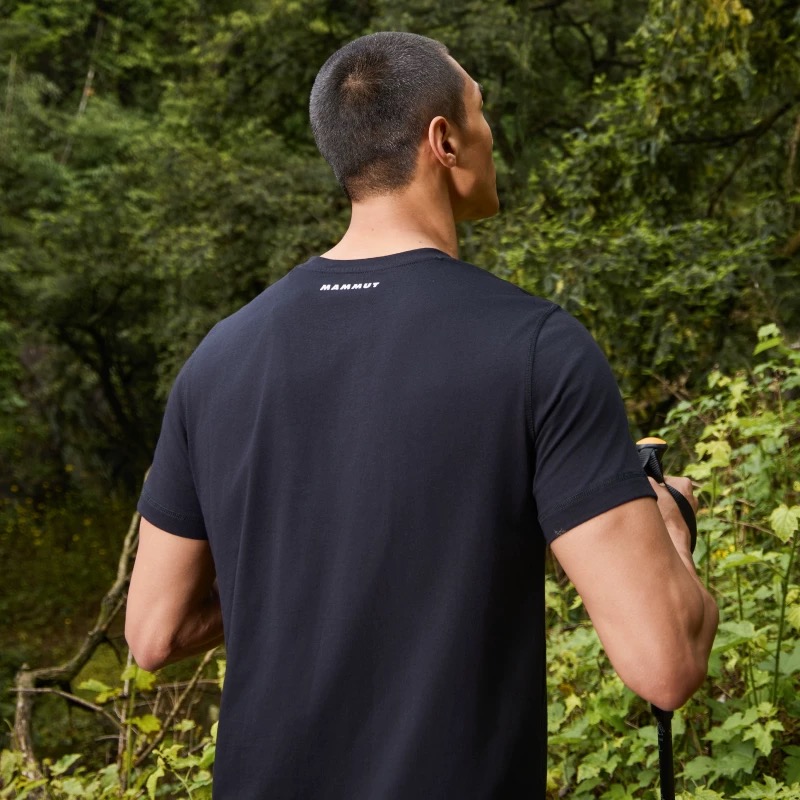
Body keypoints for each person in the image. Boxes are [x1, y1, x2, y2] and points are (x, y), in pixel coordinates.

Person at [126, 31, 718, 798]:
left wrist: (310, 571)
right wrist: (669, 529)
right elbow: (666, 665)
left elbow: (154, 632)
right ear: (443, 140)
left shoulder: (218, 358)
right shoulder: (536, 348)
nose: (492, 132)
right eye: (481, 110)